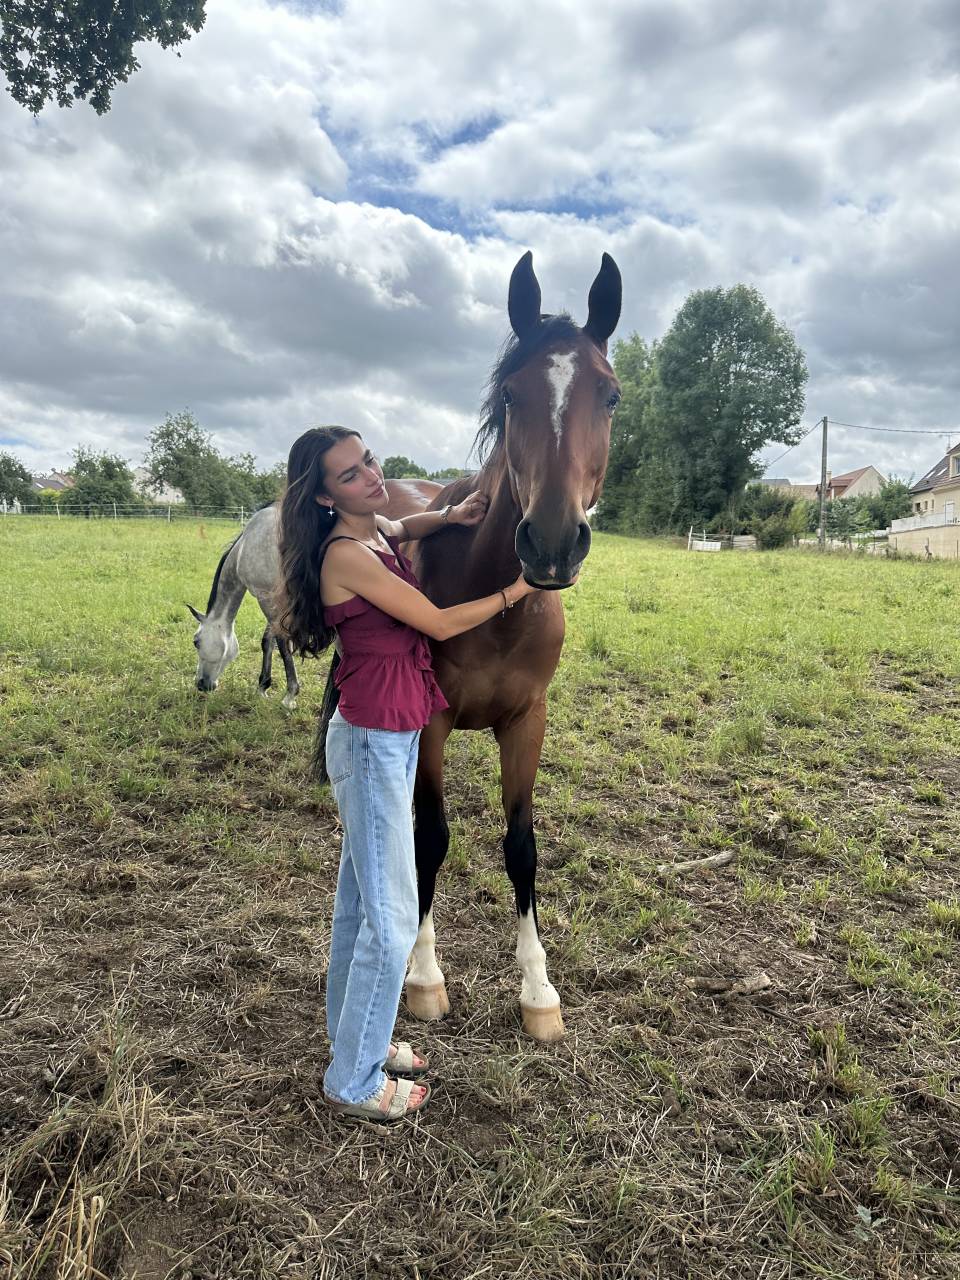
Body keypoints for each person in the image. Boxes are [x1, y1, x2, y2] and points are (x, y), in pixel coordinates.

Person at [277, 426, 541, 1123]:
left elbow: (404, 520)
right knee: (393, 923)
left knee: (358, 910)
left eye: (367, 461)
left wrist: (450, 517)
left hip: (384, 737)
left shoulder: (373, 533)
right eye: (350, 474)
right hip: (370, 743)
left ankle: (354, 1040)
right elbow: (439, 621)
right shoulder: (347, 555)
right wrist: (518, 590)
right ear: (326, 497)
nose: (371, 475)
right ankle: (354, 1080)